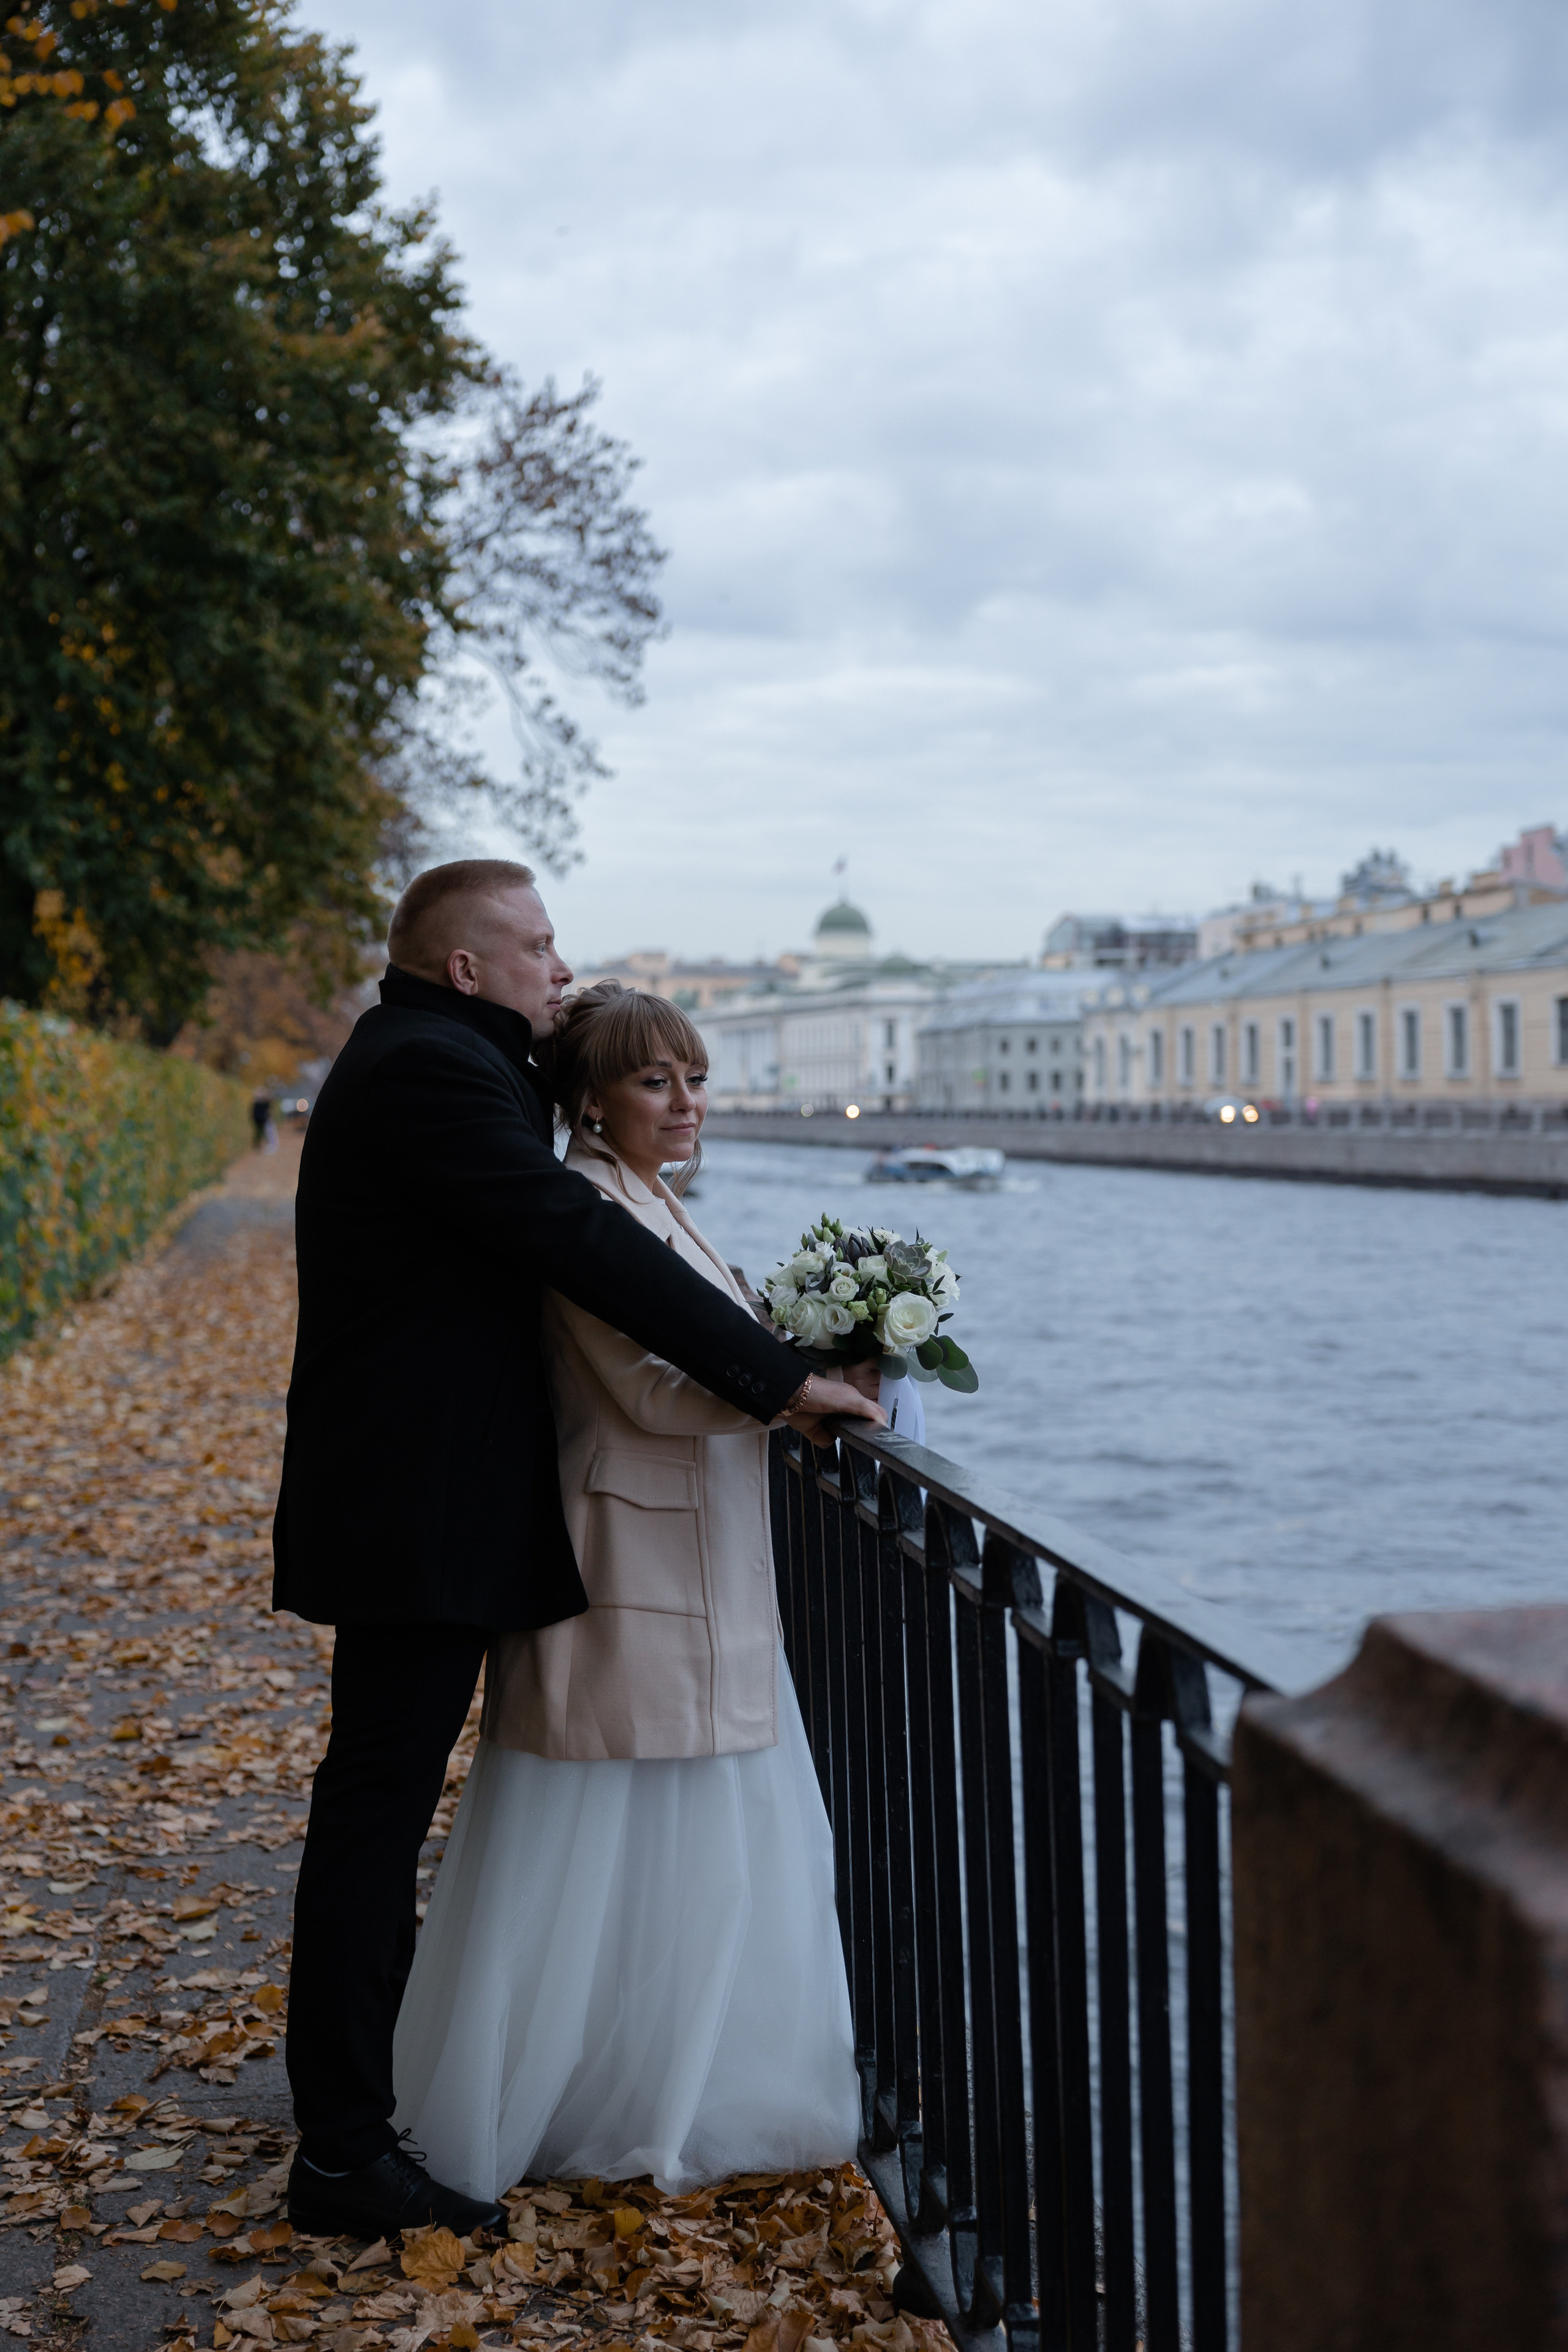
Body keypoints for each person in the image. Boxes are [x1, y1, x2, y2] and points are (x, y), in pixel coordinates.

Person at [274, 862, 881, 2243]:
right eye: (536, 948)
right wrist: (776, 1376)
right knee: (372, 1811)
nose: (559, 966)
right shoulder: (432, 1068)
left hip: (420, 1500)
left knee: (377, 1805)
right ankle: (342, 2151)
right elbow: (569, 1228)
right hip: (414, 1512)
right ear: (468, 969)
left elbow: (573, 1196)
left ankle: (370, 2110)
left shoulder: (443, 1060)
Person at [391, 981, 865, 2199]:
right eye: (655, 1082)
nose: (686, 1103)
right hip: (632, 1559)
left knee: (697, 1832)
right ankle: (609, 2100)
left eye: (695, 1078)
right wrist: (789, 1389)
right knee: (621, 1830)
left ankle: (684, 2085)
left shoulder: (649, 1199)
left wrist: (822, 1360)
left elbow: (715, 1342)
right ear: (591, 1103)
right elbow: (648, 1390)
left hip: (693, 1554)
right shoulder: (587, 1208)